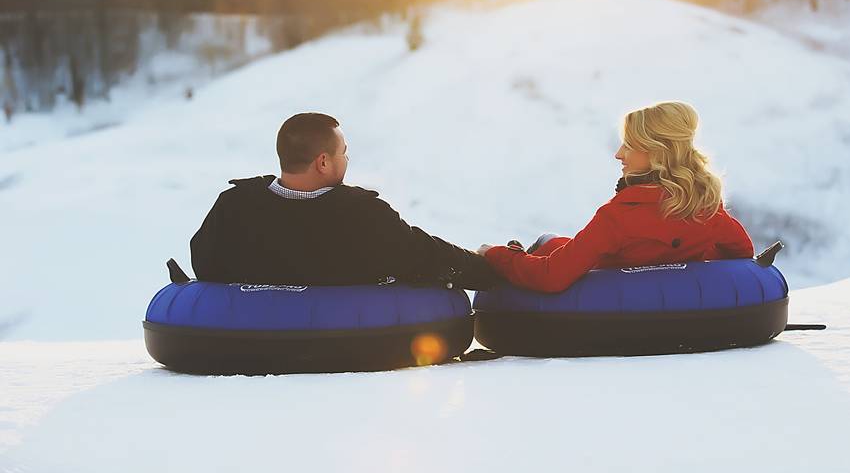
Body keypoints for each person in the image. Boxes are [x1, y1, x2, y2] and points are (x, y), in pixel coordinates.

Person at [190, 112, 500, 290]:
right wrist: (490, 266)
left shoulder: (234, 207)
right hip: (349, 341)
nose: (348, 158)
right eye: (343, 152)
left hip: (240, 342)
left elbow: (205, 265)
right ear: (323, 162)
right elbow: (426, 256)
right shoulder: (361, 216)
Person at [477, 101, 754, 293]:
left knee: (544, 243)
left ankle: (515, 253)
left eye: (629, 146)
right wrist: (681, 261)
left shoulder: (618, 218)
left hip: (593, 281)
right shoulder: (707, 210)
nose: (619, 154)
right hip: (597, 260)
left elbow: (552, 277)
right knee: (555, 242)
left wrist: (494, 254)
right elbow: (742, 252)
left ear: (656, 153)